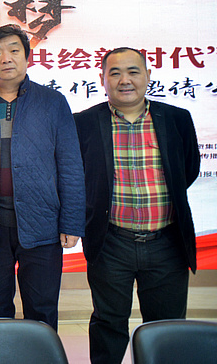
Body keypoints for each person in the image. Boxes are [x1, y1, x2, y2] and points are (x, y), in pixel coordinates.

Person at [74, 47, 199, 364]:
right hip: (110, 242)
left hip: (167, 242)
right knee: (108, 324)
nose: (124, 80)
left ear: (147, 75)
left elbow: (188, 169)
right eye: (114, 73)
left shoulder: (176, 119)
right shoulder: (83, 123)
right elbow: (77, 177)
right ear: (102, 79)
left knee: (166, 328)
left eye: (133, 71)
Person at [0, 25, 85, 330]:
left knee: (42, 310)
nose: (6, 58)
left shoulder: (52, 102)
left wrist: (71, 222)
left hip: (42, 224)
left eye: (14, 50)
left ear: (27, 57)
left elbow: (70, 164)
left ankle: (40, 353)